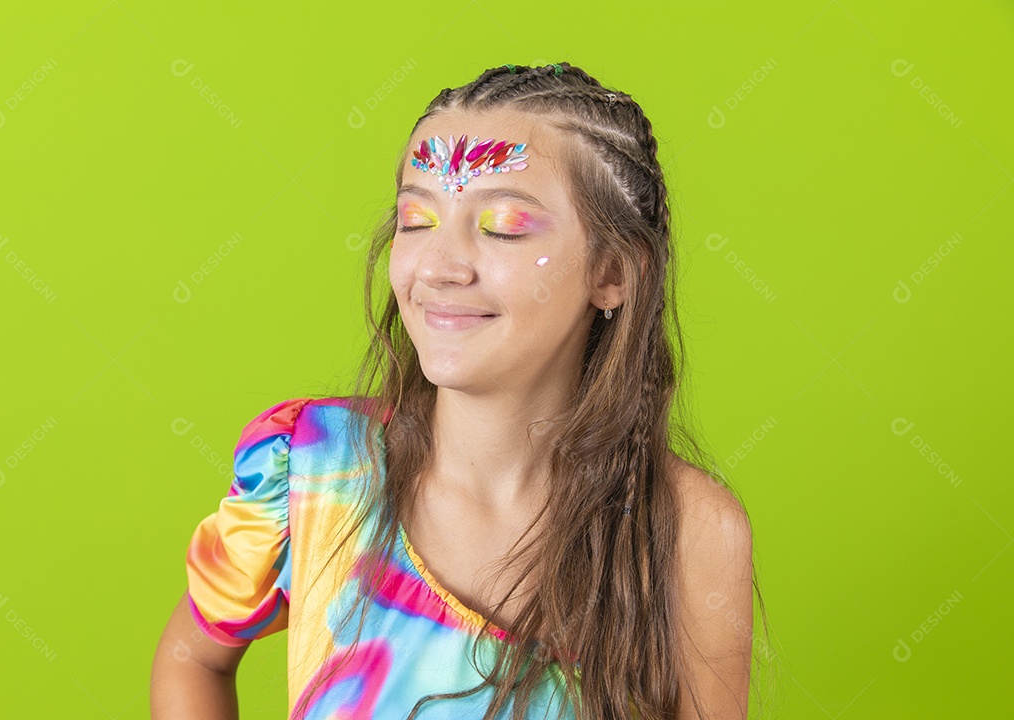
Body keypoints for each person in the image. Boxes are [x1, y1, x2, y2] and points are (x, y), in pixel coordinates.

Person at [152, 61, 766, 720]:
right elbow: (192, 657)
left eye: (502, 225)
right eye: (417, 219)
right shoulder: (310, 467)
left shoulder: (687, 530)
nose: (439, 266)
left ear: (612, 272)